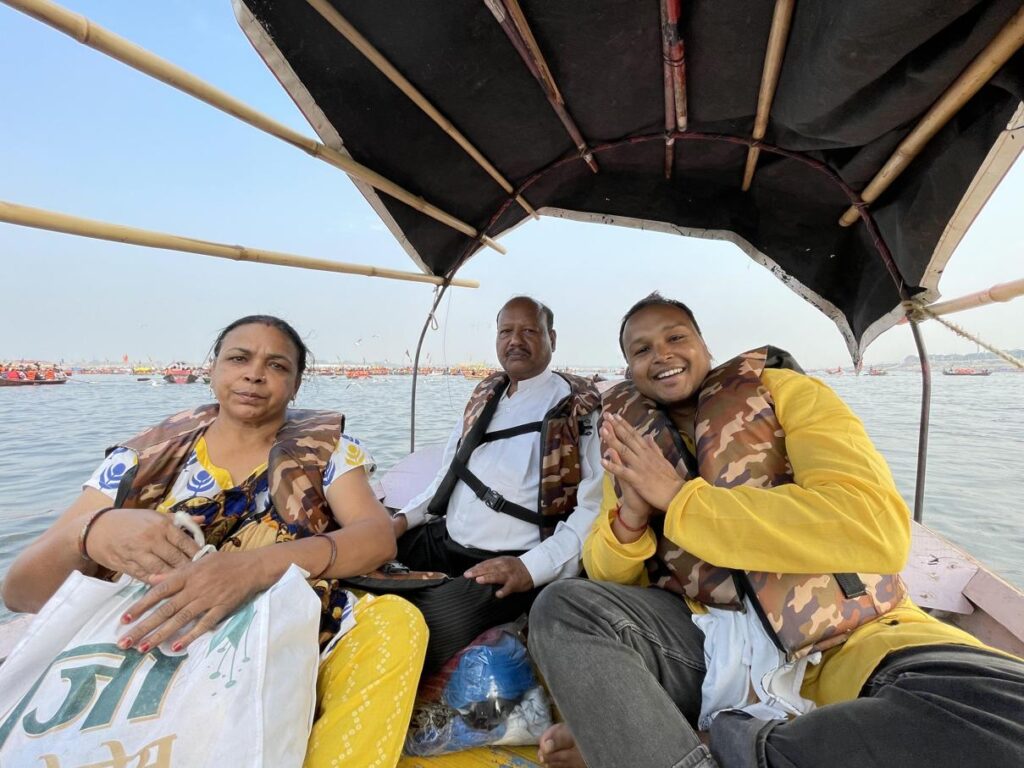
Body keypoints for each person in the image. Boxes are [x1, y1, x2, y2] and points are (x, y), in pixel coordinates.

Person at [528, 294, 1024, 768]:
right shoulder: (633, 439)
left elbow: (875, 527)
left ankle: (686, 743)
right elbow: (608, 575)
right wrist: (630, 518)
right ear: (630, 370)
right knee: (562, 609)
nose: (661, 355)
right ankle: (714, 740)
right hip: (712, 644)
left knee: (999, 722)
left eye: (676, 338)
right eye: (641, 349)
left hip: (850, 638)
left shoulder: (787, 392)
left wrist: (681, 500)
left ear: (704, 347)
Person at [2, 315, 427, 768]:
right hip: (152, 631)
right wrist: (91, 532)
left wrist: (257, 568)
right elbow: (20, 592)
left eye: (277, 365)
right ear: (213, 369)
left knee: (396, 622)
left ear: (297, 385)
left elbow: (377, 537)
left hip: (283, 619)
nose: (254, 374)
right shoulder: (140, 459)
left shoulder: (328, 451)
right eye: (239, 358)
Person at [391, 296, 602, 673]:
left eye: (529, 331)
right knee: (358, 550)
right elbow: (447, 474)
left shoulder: (576, 408)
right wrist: (402, 521)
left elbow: (593, 508)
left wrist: (530, 569)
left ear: (551, 338)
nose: (515, 341)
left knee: (419, 632)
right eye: (506, 331)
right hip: (445, 540)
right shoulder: (483, 395)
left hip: (507, 565)